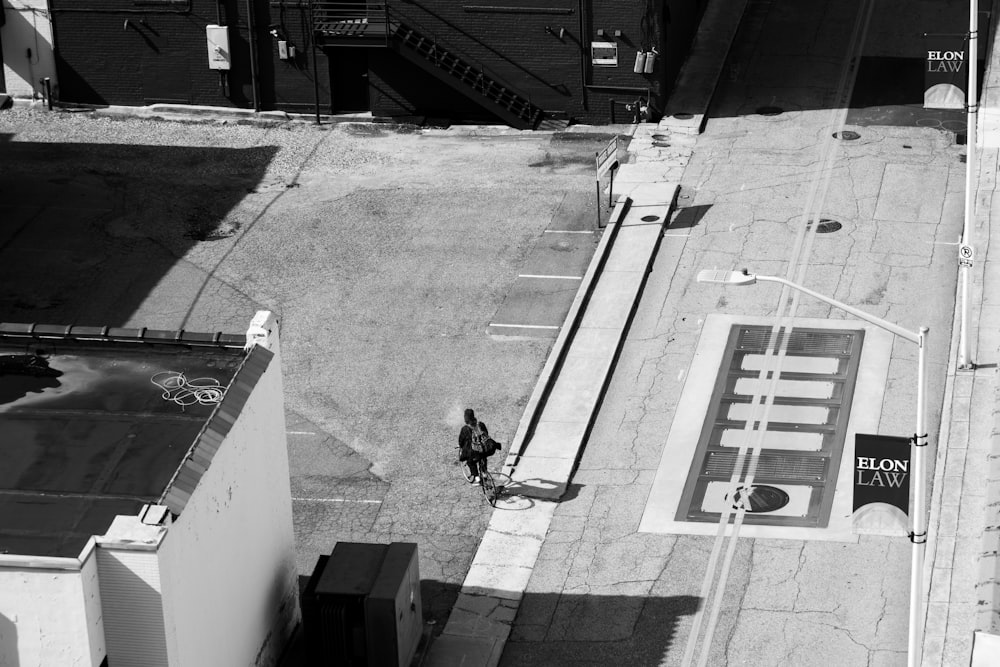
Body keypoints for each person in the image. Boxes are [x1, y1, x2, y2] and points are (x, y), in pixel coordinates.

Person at [459, 408, 491, 483]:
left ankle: (476, 477)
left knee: (470, 461)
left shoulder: (465, 429)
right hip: (483, 449)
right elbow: (486, 433)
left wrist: (461, 446)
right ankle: (484, 472)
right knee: (483, 458)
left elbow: (461, 440)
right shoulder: (481, 424)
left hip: (473, 451)